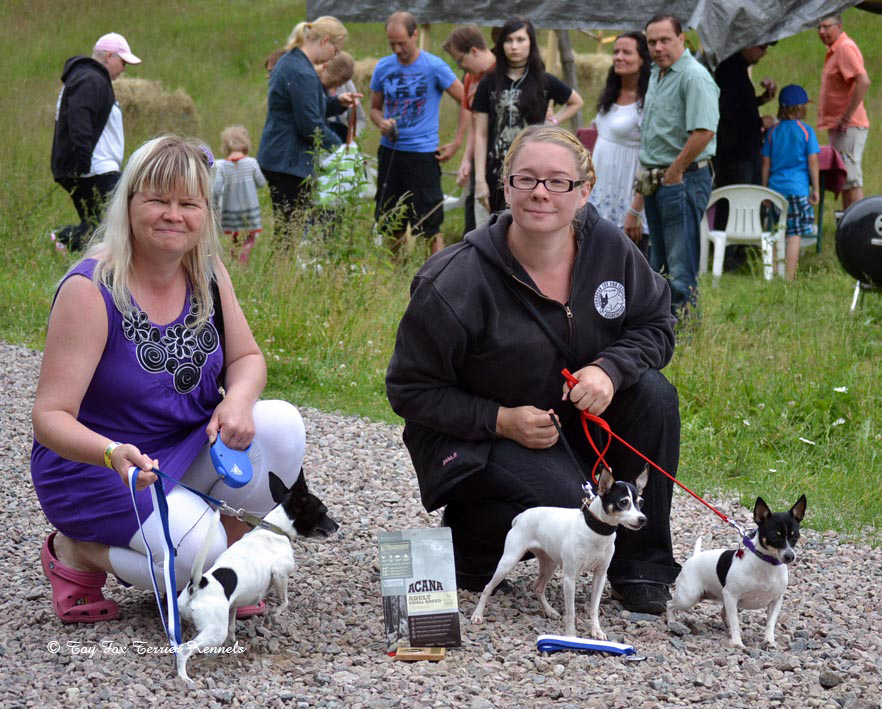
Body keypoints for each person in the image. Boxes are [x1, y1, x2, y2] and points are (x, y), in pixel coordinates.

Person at [387, 125, 681, 615]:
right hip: (481, 439)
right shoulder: (454, 280)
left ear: (584, 191)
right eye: (526, 179)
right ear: (506, 187)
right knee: (570, 506)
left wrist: (609, 369)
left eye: (558, 181)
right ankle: (471, 543)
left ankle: (641, 567)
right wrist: (499, 419)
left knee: (654, 394)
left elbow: (656, 324)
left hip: (572, 426)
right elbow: (408, 389)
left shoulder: (611, 249)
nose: (540, 192)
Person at [32, 135, 308, 623]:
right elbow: (49, 416)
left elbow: (247, 358)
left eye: (189, 203)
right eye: (158, 200)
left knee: (282, 425)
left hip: (185, 445)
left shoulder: (207, 272)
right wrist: (110, 453)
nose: (173, 215)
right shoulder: (90, 289)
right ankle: (78, 550)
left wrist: (237, 401)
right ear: (129, 203)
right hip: (102, 468)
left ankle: (219, 570)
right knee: (196, 554)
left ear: (206, 212)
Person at [640, 15, 719, 317]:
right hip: (658, 178)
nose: (658, 47)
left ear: (682, 39)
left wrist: (676, 170)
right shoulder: (657, 74)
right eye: (652, 42)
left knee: (680, 261)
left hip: (683, 178)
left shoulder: (693, 76)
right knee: (659, 261)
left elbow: (705, 131)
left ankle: (684, 326)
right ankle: (662, 326)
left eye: (665, 40)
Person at [370, 12, 464, 256]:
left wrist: (457, 142)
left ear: (415, 35)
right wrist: (381, 122)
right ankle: (395, 268)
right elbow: (374, 109)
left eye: (402, 43)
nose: (397, 49)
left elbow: (467, 100)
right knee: (391, 217)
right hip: (390, 151)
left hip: (422, 154)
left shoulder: (434, 66)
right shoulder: (383, 67)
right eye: (392, 44)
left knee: (430, 220)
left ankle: (436, 269)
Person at [257, 16, 360, 228]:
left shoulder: (292, 61)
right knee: (290, 230)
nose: (334, 56)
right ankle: (285, 253)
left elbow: (307, 108)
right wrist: (341, 148)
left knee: (288, 228)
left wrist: (337, 103)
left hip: (280, 157)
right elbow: (310, 125)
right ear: (325, 41)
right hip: (289, 162)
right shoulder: (301, 72)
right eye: (336, 50)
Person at [473, 18, 583, 216]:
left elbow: (576, 102)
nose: (514, 46)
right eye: (508, 40)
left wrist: (552, 122)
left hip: (532, 171)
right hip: (494, 171)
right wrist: (479, 179)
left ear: (531, 43)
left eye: (520, 40)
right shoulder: (488, 82)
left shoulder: (544, 80)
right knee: (492, 227)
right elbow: (480, 134)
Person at [50, 33, 141, 252]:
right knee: (120, 222)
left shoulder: (87, 77)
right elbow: (79, 119)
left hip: (92, 168)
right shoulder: (90, 79)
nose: (124, 69)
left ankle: (62, 240)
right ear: (109, 57)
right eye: (123, 62)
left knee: (97, 226)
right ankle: (62, 238)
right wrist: (83, 163)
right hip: (96, 170)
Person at [587, 32, 651, 255]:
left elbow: (651, 158)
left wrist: (636, 208)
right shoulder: (611, 94)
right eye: (615, 52)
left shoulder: (648, 101)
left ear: (642, 59)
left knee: (628, 260)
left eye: (627, 52)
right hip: (602, 189)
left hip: (629, 194)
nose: (619, 57)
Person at [761, 85, 820, 280]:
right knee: (794, 234)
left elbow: (766, 163)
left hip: (776, 190)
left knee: (777, 230)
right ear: (800, 108)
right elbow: (813, 161)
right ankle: (789, 277)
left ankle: (773, 273)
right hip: (798, 189)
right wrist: (816, 188)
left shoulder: (773, 132)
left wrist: (764, 190)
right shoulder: (806, 131)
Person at [443, 25, 497, 235]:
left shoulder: (502, 73)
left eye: (460, 61)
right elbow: (475, 123)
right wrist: (467, 159)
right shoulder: (470, 79)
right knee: (473, 222)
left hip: (502, 156)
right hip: (480, 159)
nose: (461, 68)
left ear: (474, 51)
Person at [818, 14, 870, 210]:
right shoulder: (834, 50)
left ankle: (859, 223)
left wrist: (846, 117)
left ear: (838, 26)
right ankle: (847, 222)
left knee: (852, 179)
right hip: (838, 126)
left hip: (849, 126)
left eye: (826, 27)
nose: (821, 32)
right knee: (845, 178)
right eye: (819, 28)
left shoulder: (845, 48)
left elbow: (863, 81)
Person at [213, 125, 267, 264]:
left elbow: (216, 189)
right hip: (250, 214)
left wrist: (213, 204)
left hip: (230, 215)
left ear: (226, 145)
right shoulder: (252, 163)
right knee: (248, 241)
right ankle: (242, 262)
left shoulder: (222, 166)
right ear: (245, 143)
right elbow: (261, 183)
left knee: (234, 243)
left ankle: (235, 262)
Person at [318, 51, 368, 143]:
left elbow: (360, 119)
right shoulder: (311, 84)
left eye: (340, 85)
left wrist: (354, 136)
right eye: (332, 82)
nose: (335, 87)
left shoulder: (347, 84)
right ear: (324, 67)